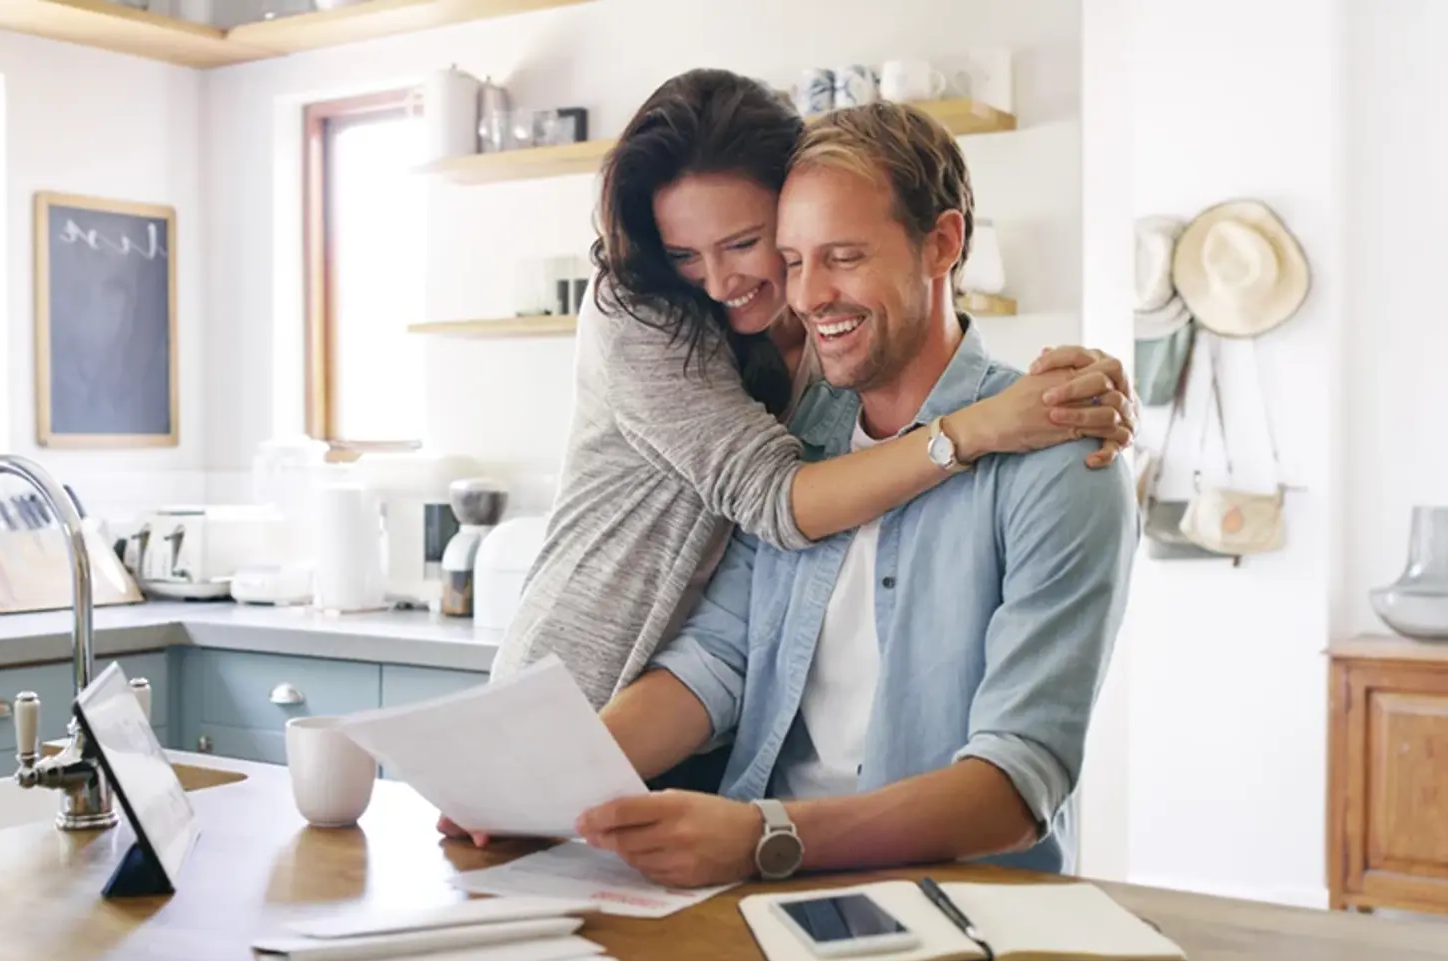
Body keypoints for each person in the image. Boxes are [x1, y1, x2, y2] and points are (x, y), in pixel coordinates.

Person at [564, 100, 1140, 888]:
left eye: (843, 256)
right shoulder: (802, 441)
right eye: (794, 261)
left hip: (959, 906)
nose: (808, 296)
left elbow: (1017, 780)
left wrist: (765, 835)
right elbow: (718, 660)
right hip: (763, 885)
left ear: (942, 244)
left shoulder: (1061, 458)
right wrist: (547, 781)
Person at [487, 69, 1139, 716]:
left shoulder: (823, 337)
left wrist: (1079, 386)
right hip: (580, 688)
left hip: (712, 717)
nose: (715, 282)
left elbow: (918, 331)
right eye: (685, 253)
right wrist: (977, 428)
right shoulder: (640, 318)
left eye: (745, 243)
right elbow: (775, 499)